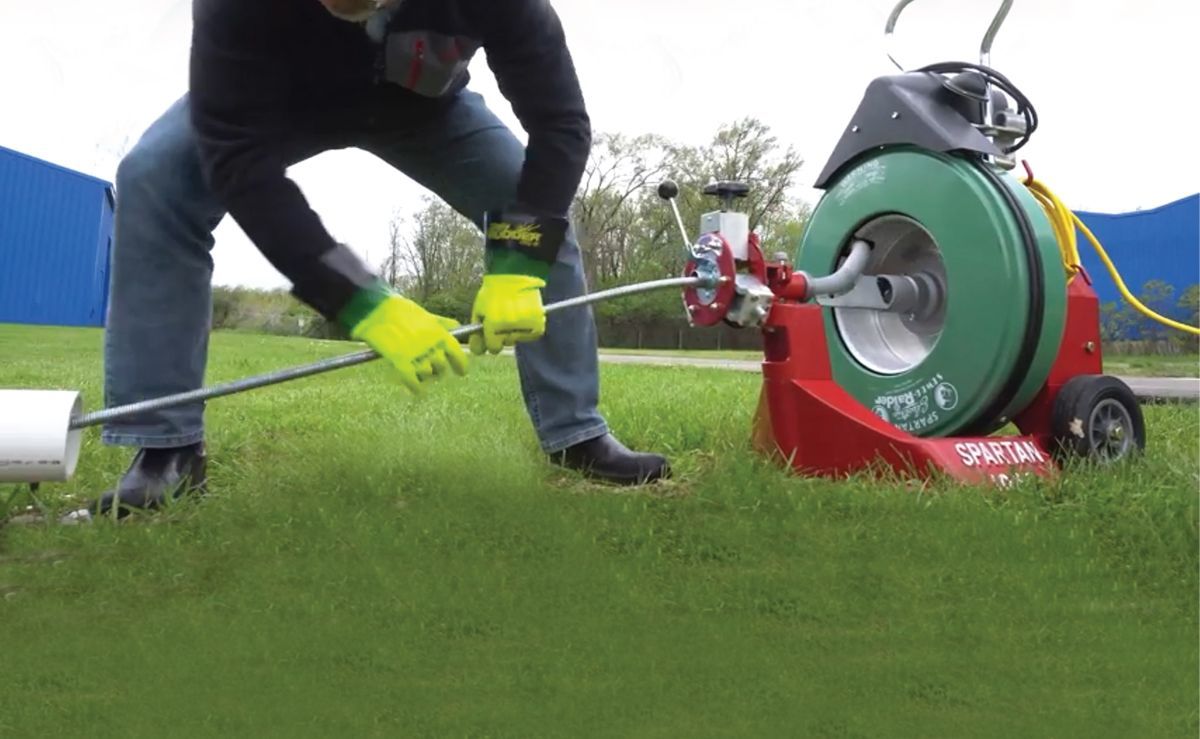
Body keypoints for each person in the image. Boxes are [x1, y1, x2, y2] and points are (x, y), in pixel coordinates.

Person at [67, 0, 671, 522]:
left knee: (535, 206)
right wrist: (357, 299)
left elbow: (560, 124)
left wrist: (519, 260)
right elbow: (239, 165)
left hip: (426, 112)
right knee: (154, 177)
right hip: (281, 106)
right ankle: (165, 449)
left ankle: (576, 434)